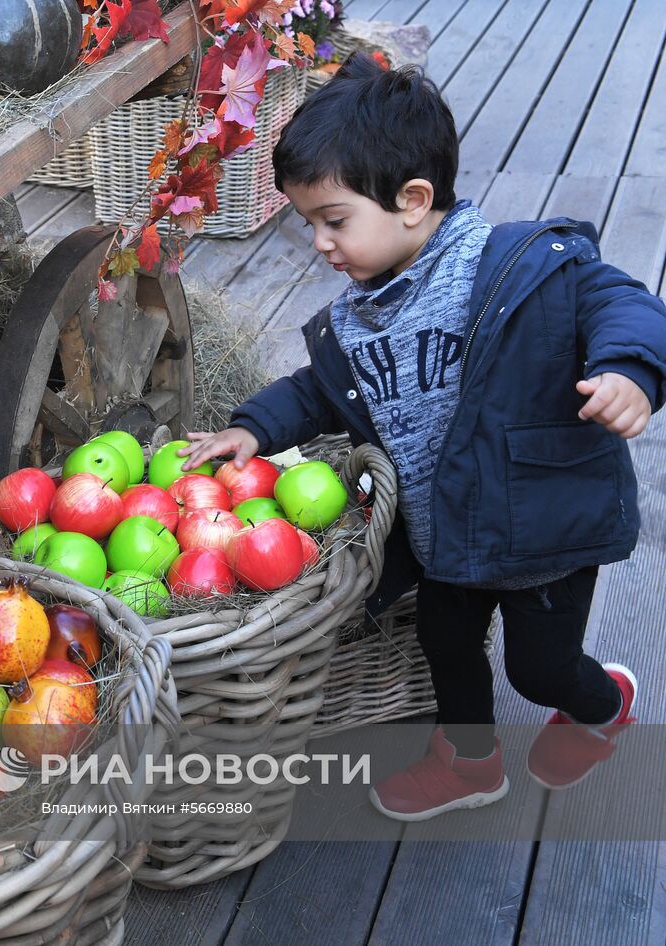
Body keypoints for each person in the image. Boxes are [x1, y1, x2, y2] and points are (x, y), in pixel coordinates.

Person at [178, 54, 666, 822]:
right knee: (445, 644)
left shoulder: (513, 267)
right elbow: (320, 391)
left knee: (540, 672)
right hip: (445, 537)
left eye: (333, 221)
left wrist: (629, 370)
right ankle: (470, 761)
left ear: (412, 200)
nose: (319, 245)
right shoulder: (358, 316)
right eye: (310, 224)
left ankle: (603, 707)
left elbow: (616, 300)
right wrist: (253, 428)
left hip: (537, 532)